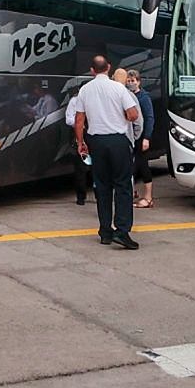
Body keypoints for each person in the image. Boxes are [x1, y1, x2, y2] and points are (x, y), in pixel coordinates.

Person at [73, 55, 140, 249]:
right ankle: (122, 230)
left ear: (92, 70)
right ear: (108, 68)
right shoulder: (118, 88)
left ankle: (105, 231)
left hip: (96, 141)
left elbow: (79, 121)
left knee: (101, 186)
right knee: (123, 185)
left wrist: (81, 142)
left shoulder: (85, 90)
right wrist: (121, 117)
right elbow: (133, 114)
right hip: (118, 140)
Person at [127, 69, 156, 209]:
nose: (131, 83)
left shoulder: (144, 97)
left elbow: (149, 118)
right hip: (131, 136)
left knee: (143, 165)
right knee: (131, 166)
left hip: (141, 137)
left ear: (138, 82)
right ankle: (132, 192)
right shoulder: (126, 95)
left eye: (133, 81)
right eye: (129, 81)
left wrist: (147, 138)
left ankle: (148, 197)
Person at [63, 84, 91, 205]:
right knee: (80, 168)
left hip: (94, 133)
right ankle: (81, 196)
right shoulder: (74, 101)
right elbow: (68, 119)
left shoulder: (94, 100)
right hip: (80, 134)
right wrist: (79, 123)